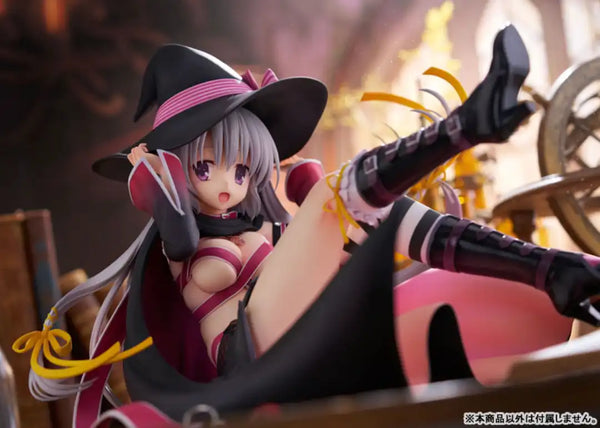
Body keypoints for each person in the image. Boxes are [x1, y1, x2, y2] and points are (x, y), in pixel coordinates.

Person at [14, 24, 600, 424]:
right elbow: (190, 237)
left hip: (299, 347)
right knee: (332, 199)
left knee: (440, 262)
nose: (228, 184)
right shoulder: (177, 247)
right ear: (172, 171)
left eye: (243, 167)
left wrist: (400, 251)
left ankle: (558, 271)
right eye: (205, 167)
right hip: (242, 373)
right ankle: (466, 126)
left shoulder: (261, 229)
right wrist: (157, 182)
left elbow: (331, 269)